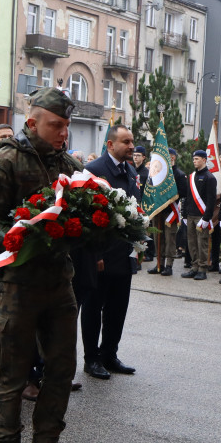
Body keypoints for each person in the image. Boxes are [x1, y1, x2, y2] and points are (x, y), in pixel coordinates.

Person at [0, 87, 82, 443]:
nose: (63, 132)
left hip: (58, 283)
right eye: (56, 124)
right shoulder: (3, 164)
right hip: (15, 284)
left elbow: (79, 214)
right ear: (32, 122)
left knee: (61, 368)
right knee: (12, 373)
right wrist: (24, 237)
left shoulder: (69, 165)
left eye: (66, 125)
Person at [81, 125, 142, 380]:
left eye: (132, 141)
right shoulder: (94, 171)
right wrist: (96, 255)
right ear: (110, 145)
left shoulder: (130, 170)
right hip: (101, 254)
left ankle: (109, 354)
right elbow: (86, 214)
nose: (131, 146)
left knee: (118, 308)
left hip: (123, 253)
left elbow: (133, 209)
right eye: (126, 142)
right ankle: (91, 359)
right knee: (94, 307)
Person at [147, 148, 186, 277]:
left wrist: (168, 197)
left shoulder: (179, 174)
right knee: (158, 238)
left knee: (170, 239)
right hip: (158, 211)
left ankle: (169, 265)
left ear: (172, 158)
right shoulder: (157, 173)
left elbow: (183, 192)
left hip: (170, 211)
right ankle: (159, 263)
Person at [181, 149, 217, 280]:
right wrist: (184, 215)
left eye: (197, 159)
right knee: (191, 243)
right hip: (190, 215)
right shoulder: (191, 177)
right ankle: (194, 266)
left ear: (204, 160)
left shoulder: (209, 177)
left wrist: (206, 218)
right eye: (193, 159)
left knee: (202, 243)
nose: (194, 161)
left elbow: (211, 200)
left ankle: (202, 268)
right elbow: (187, 197)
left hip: (201, 216)